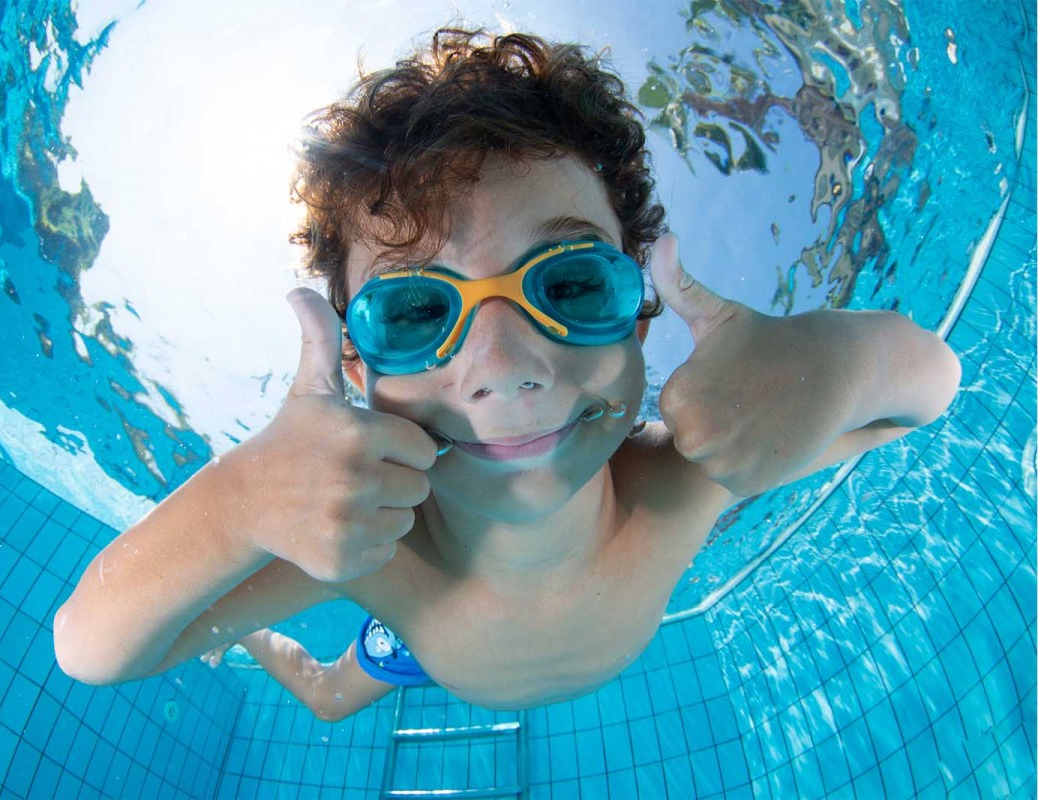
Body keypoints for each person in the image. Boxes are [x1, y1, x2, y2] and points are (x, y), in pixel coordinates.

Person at [53, 28, 961, 721]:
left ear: (642, 314)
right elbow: (94, 649)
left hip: (450, 653)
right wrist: (242, 503)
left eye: (568, 283)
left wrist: (828, 361)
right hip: (408, 641)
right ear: (354, 369)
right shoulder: (368, 546)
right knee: (330, 698)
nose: (506, 371)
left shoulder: (686, 479)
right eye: (415, 311)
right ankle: (260, 638)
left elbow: (923, 392)